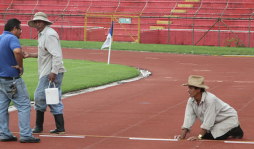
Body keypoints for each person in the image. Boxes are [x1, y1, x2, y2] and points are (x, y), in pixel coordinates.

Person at [23, 12, 67, 134]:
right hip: (49, 71)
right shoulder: (43, 34)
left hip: (50, 72)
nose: (37, 24)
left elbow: (57, 55)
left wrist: (53, 72)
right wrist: (30, 55)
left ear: (45, 22)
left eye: (40, 21)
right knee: (53, 99)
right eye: (36, 22)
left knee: (39, 97)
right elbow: (45, 53)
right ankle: (60, 128)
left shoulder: (49, 35)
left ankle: (39, 126)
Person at [0, 18, 41, 143]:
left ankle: (4, 133)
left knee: (2, 107)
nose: (21, 32)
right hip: (12, 78)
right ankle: (26, 134)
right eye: (20, 29)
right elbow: (17, 51)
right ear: (14, 29)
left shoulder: (1, 37)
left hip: (1, 78)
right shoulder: (12, 38)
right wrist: (20, 65)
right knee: (24, 106)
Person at [174, 75, 244, 141]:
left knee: (215, 137)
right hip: (215, 122)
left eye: (191, 88)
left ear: (198, 89)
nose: (188, 90)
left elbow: (209, 119)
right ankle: (229, 129)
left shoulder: (210, 100)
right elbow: (189, 116)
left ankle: (236, 127)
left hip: (228, 119)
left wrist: (200, 136)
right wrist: (183, 134)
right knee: (207, 134)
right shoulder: (191, 100)